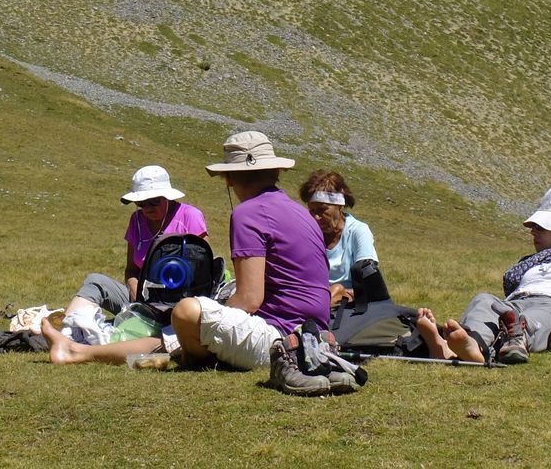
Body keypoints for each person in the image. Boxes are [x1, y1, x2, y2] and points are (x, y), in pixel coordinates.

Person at [42, 131, 346, 391]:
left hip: (278, 339)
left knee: (186, 312)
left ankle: (79, 350)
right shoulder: (298, 212)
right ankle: (83, 351)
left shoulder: (248, 214)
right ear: (276, 172)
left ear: (229, 178)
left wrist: (207, 317)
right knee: (183, 328)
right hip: (313, 335)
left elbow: (250, 299)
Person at [415, 181, 551, 364]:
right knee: (483, 300)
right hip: (514, 303)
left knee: (526, 322)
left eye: (540, 227)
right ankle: (469, 345)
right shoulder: (529, 262)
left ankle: (456, 347)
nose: (532, 231)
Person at [59, 165, 208, 343]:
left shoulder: (189, 216)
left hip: (181, 305)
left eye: (154, 202)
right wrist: (138, 297)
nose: (147, 208)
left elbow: (205, 270)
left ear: (167, 197)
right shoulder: (136, 220)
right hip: (142, 300)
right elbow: (131, 270)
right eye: (141, 203)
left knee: (117, 329)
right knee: (95, 281)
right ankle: (63, 332)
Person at [298, 169, 377, 306]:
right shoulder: (308, 233)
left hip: (350, 306)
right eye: (312, 211)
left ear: (339, 205)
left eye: (322, 210)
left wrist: (340, 293)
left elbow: (370, 285)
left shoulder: (358, 232)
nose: (316, 217)